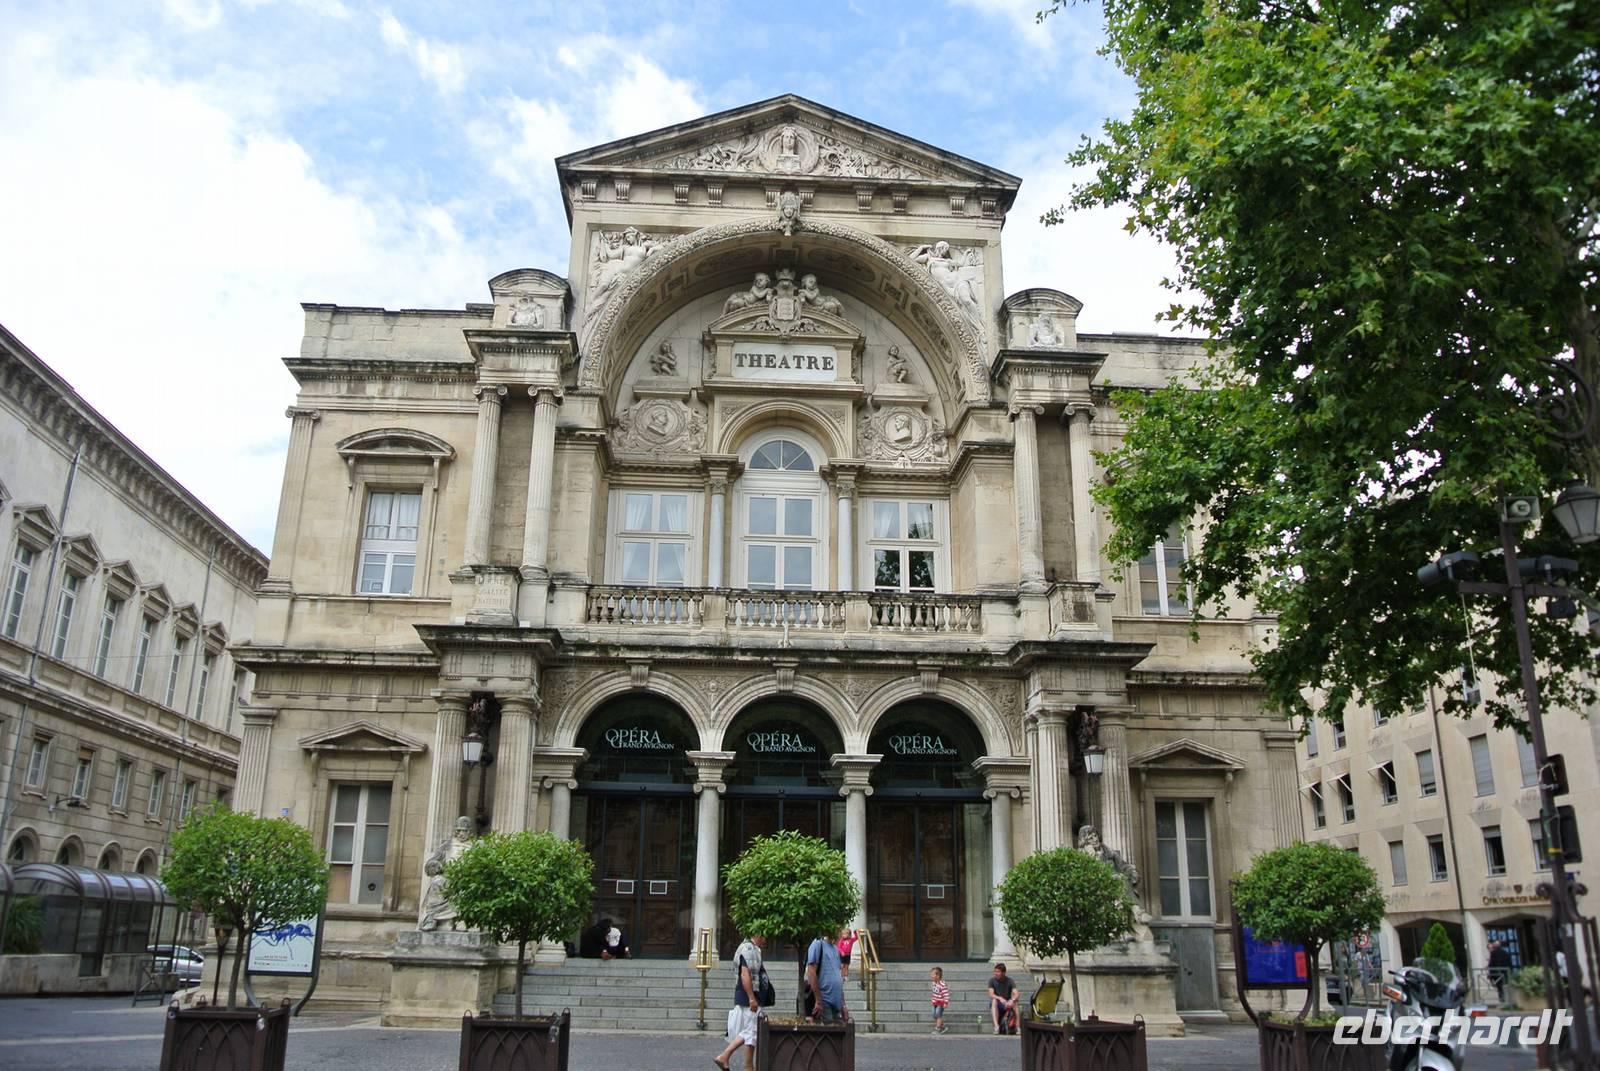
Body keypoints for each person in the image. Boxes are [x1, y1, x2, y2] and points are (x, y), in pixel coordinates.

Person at [715, 933, 765, 1071]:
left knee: (750, 1030)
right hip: (749, 997)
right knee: (751, 1031)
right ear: (758, 935)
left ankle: (746, 1065)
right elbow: (745, 974)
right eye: (764, 936)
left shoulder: (749, 948)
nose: (765, 940)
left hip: (747, 996)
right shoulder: (749, 949)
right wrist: (751, 998)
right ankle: (729, 1058)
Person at [805, 930, 846, 1023]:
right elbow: (811, 971)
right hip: (824, 1000)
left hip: (836, 1003)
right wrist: (818, 1000)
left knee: (838, 1032)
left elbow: (838, 976)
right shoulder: (818, 944)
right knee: (829, 1032)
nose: (841, 932)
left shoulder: (835, 949)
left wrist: (843, 1005)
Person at [988, 962, 1019, 1035]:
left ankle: (1018, 1027)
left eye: (998, 972)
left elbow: (1016, 993)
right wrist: (1000, 998)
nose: (995, 973)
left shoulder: (1010, 981)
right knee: (994, 1000)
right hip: (998, 1003)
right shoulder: (992, 980)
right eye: (995, 971)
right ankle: (996, 1027)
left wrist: (1012, 1000)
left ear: (1004, 973)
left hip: (1007, 1003)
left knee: (1015, 1002)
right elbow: (991, 994)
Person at [929, 966, 950, 1035]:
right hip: (935, 1002)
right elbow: (934, 993)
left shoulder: (942, 985)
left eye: (932, 974)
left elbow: (946, 994)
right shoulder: (934, 983)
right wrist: (932, 1000)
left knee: (938, 1015)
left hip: (940, 1003)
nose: (931, 976)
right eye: (931, 974)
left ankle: (938, 1028)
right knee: (934, 1015)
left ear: (938, 976)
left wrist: (945, 1003)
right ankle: (943, 1026)